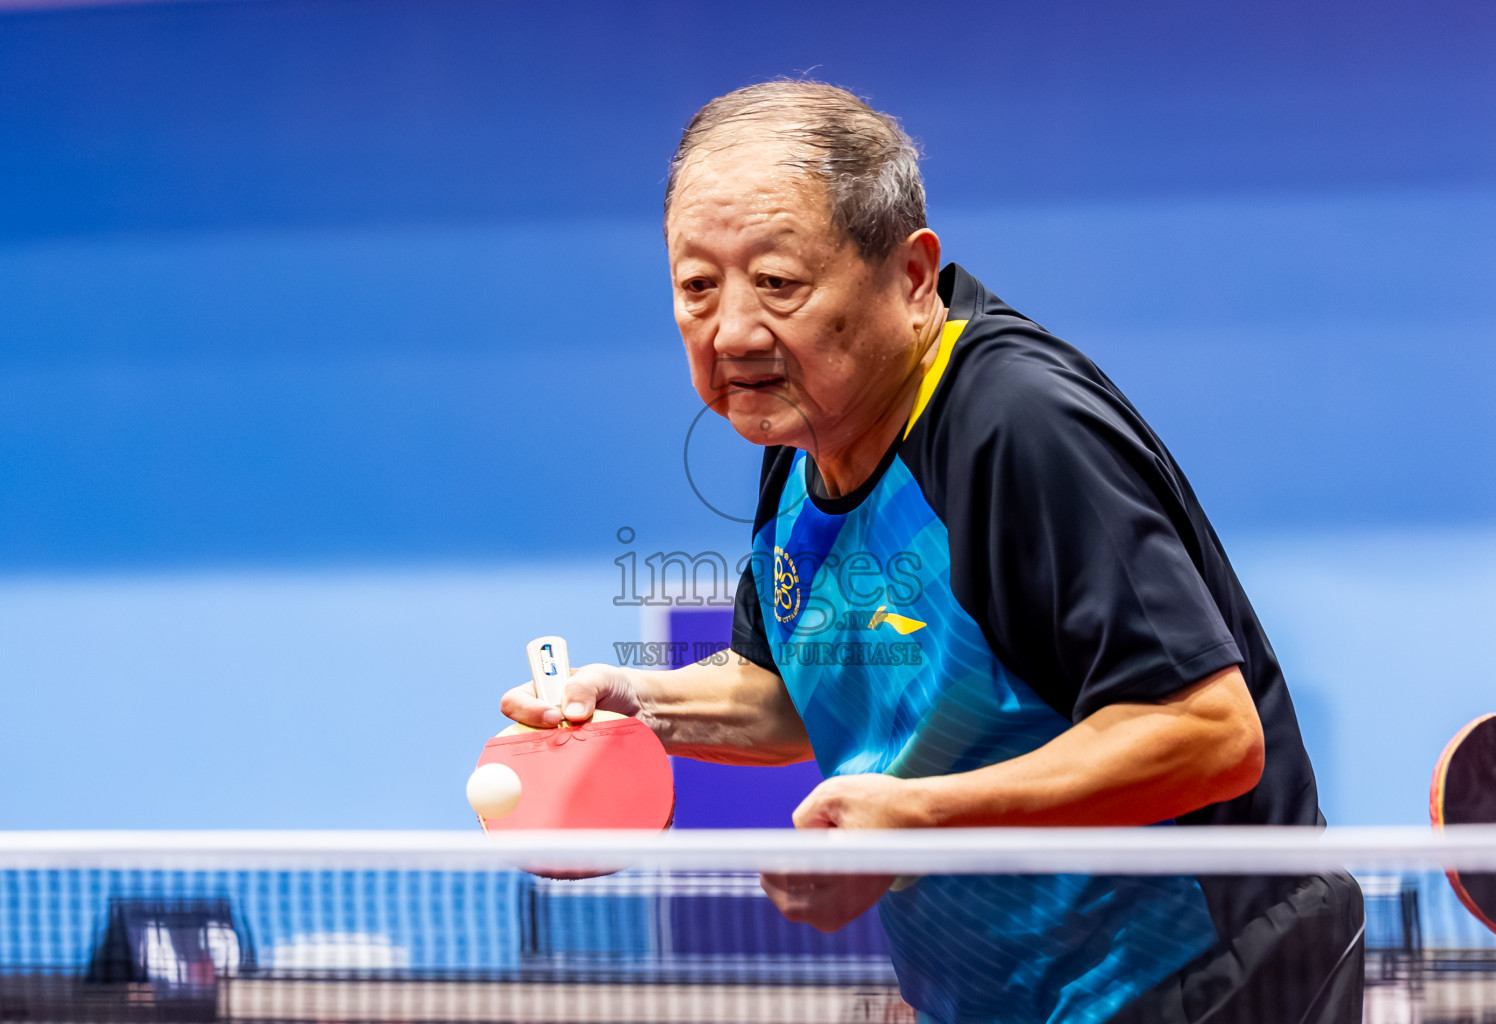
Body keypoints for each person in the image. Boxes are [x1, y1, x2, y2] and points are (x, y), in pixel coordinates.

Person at [500, 81, 1363, 1024]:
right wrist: (642, 703)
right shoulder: (804, 439)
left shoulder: (1014, 427)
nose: (735, 330)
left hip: (1202, 978)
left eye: (779, 283)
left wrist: (918, 821)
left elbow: (1209, 734)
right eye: (697, 285)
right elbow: (790, 692)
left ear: (911, 278)